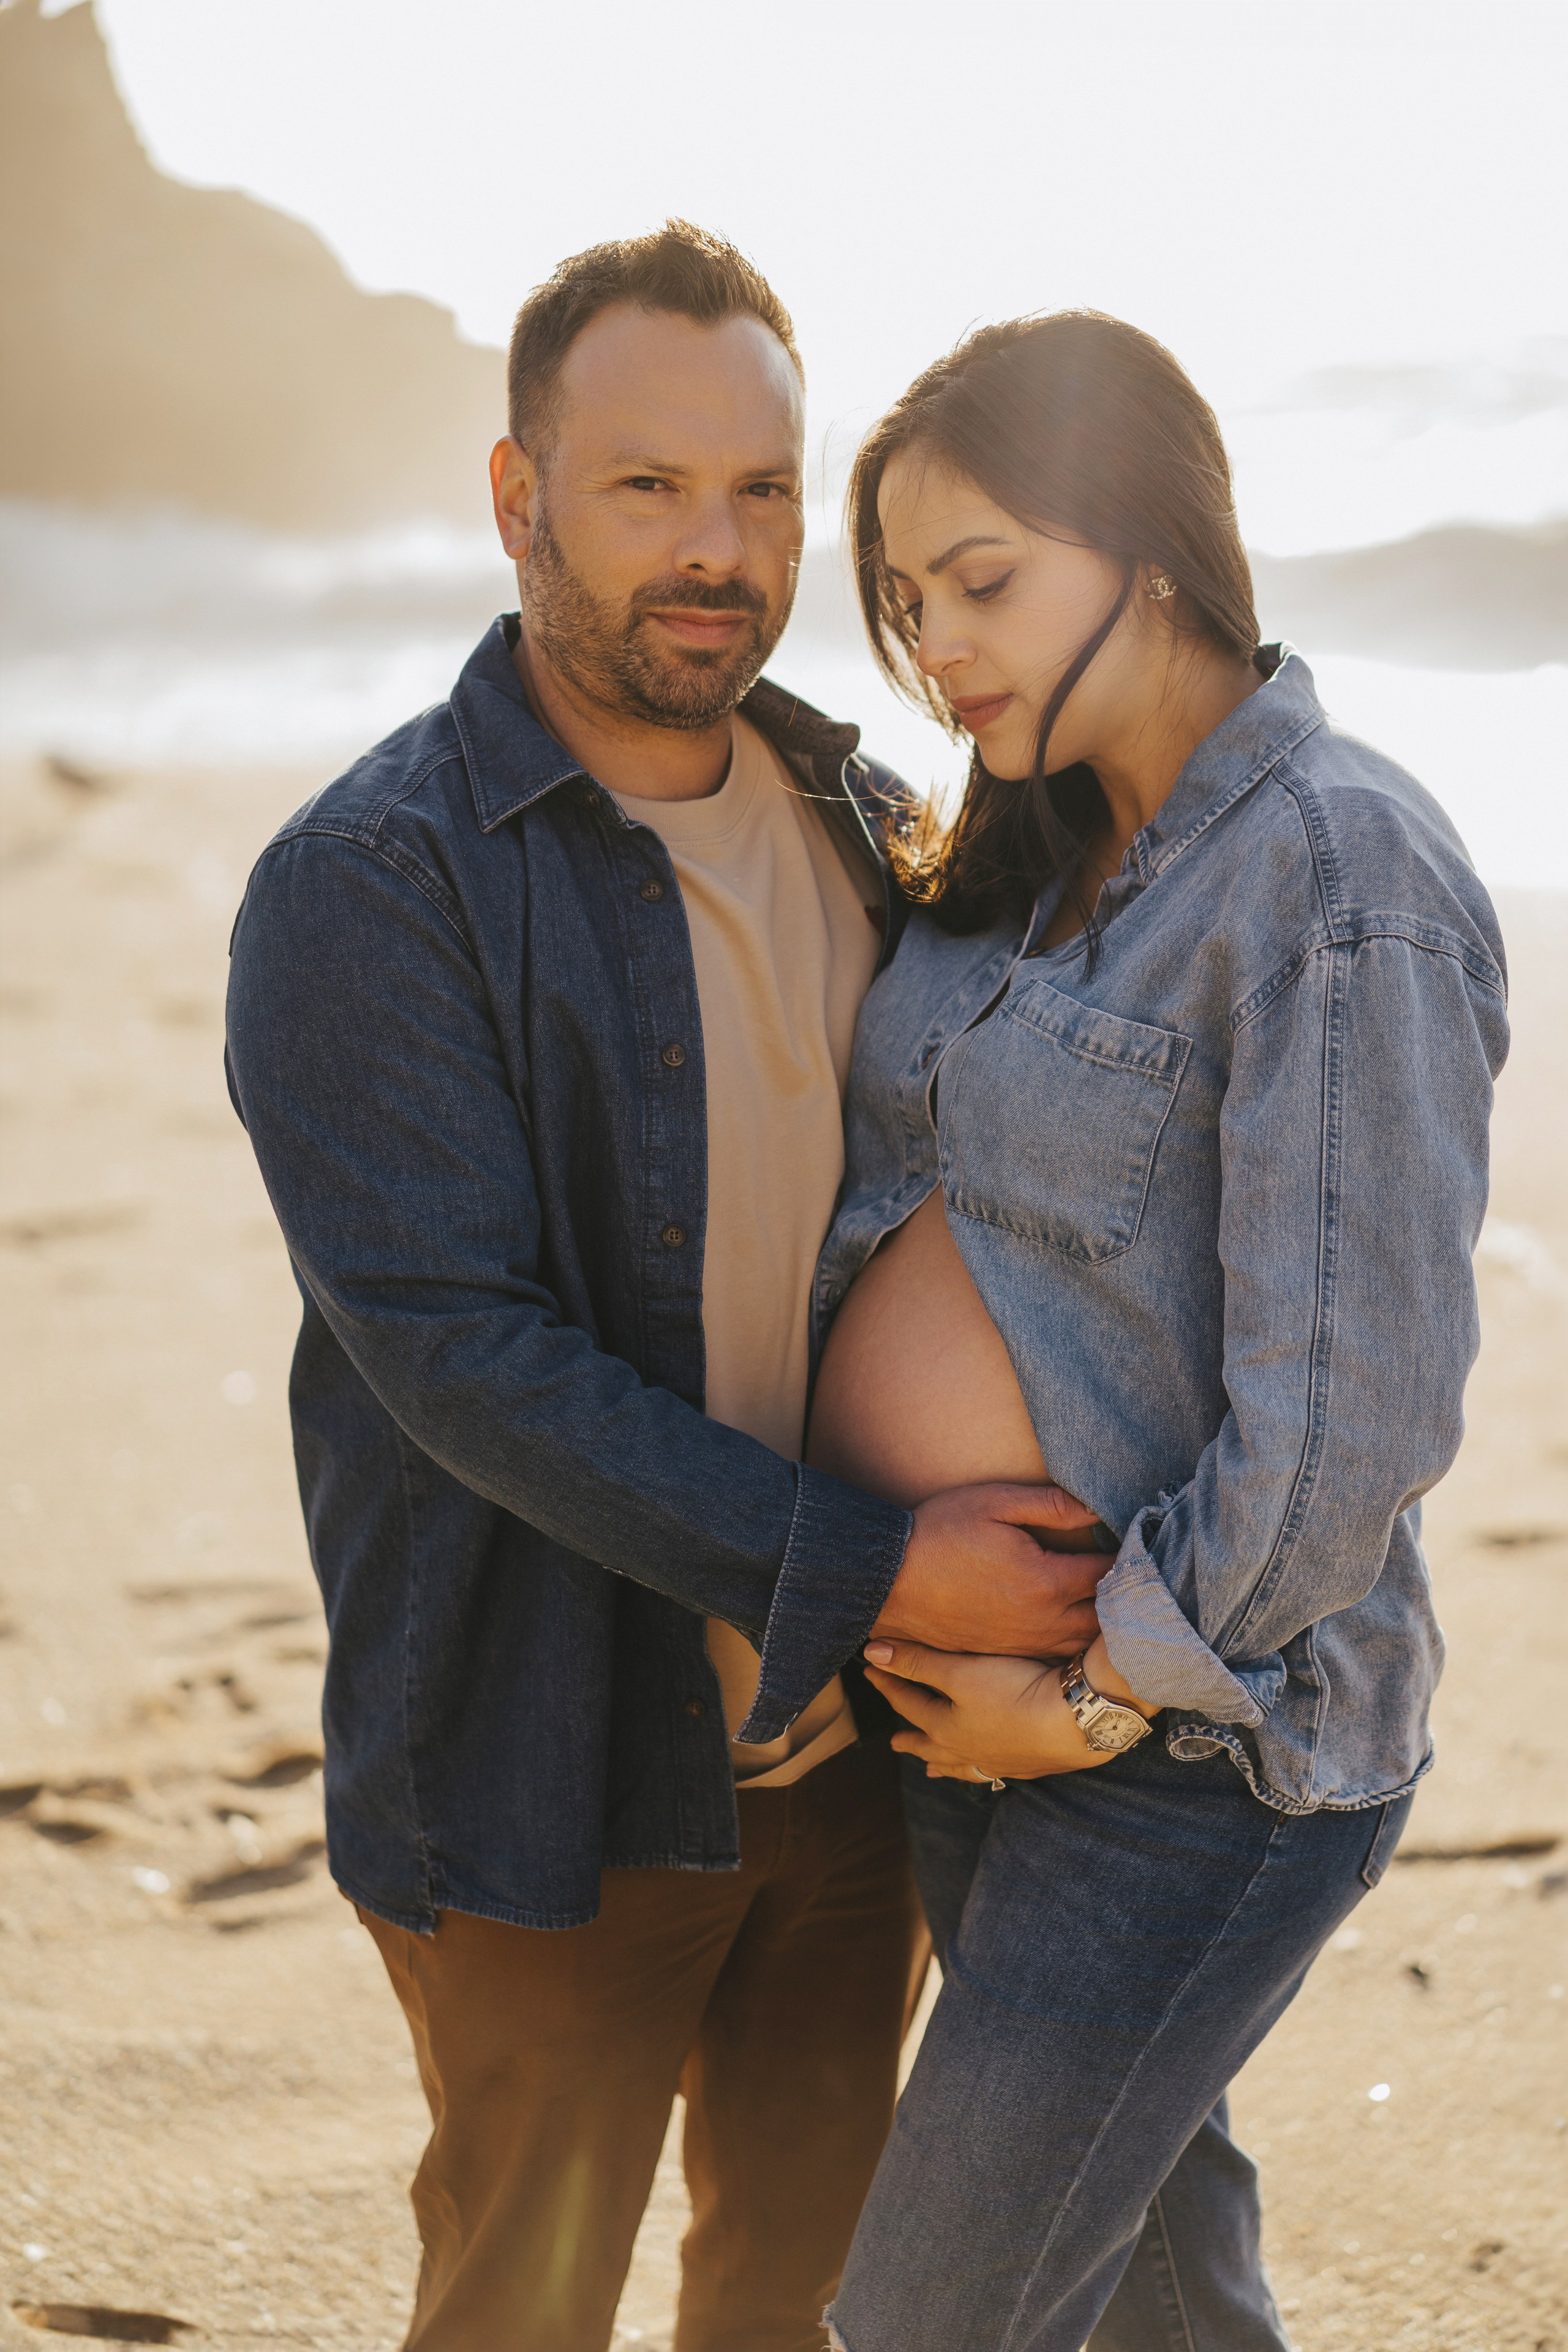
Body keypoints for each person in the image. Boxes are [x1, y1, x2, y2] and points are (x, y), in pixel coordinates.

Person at [224, 225, 1106, 2352]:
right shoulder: (373, 886)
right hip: (545, 1784)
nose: (720, 552)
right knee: (518, 2316)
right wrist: (896, 1569)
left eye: (766, 493)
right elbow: (468, 1368)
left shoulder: (869, 816)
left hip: (863, 1775)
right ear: (519, 497)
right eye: (648, 490)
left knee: (792, 2304)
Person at [803, 311, 1508, 2350]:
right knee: (1156, 2311)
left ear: (1153, 536)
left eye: (987, 581)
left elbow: (1348, 1423)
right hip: (969, 1709)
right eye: (911, 602)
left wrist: (1095, 1701)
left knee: (929, 2318)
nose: (941, 645)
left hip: (1189, 1752)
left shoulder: (1336, 868)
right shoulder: (1024, 858)